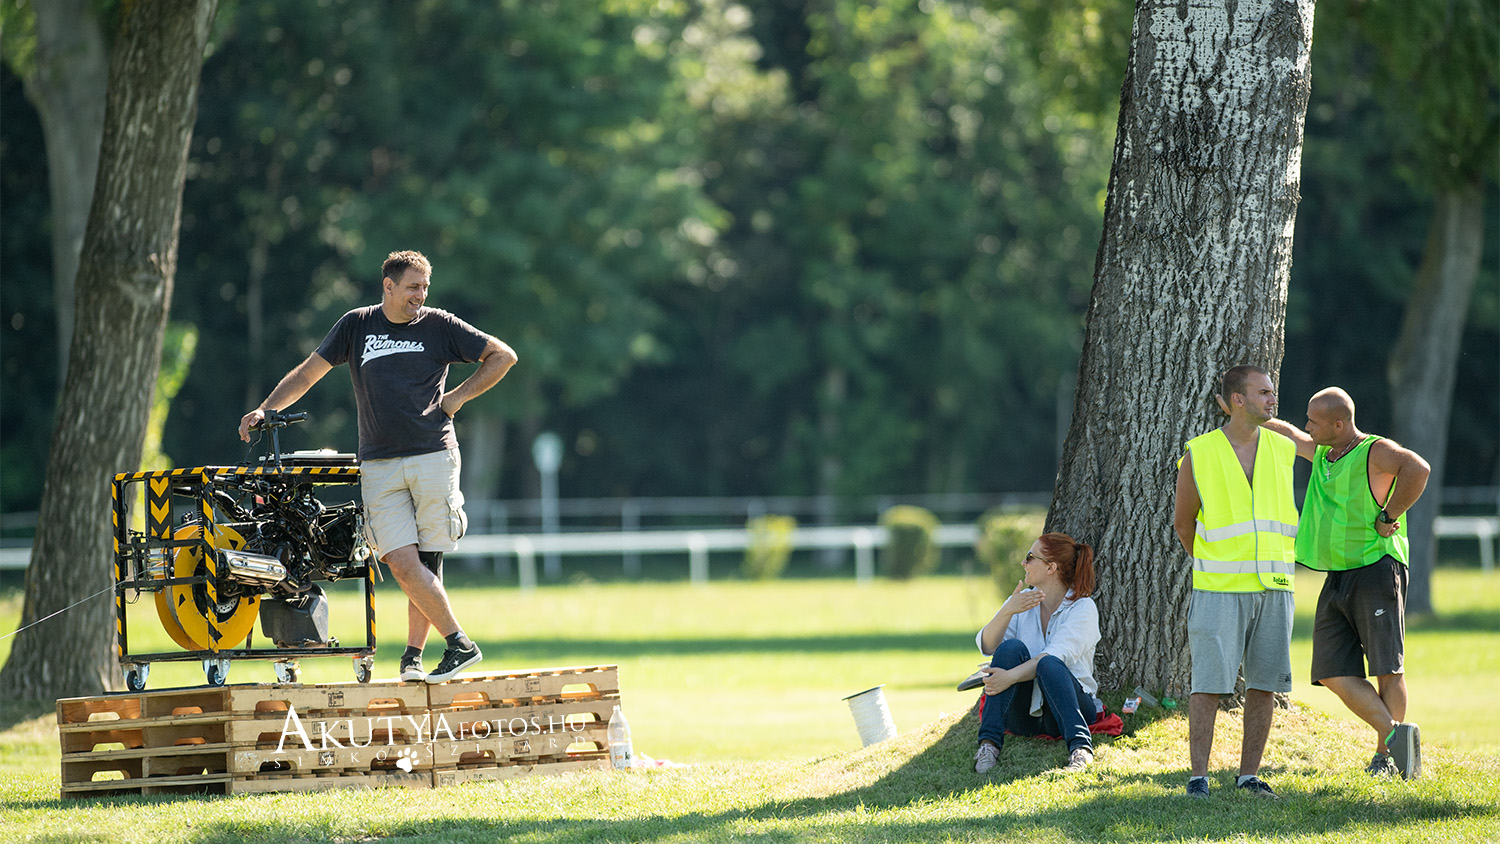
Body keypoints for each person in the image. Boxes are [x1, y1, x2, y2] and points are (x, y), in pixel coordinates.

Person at [239, 250, 517, 684]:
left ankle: (412, 658)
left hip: (432, 454)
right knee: (398, 560)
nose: (420, 296)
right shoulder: (356, 325)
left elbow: (502, 356)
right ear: (388, 286)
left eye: (425, 288)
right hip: (379, 463)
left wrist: (457, 398)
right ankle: (460, 642)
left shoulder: (440, 324)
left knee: (427, 561)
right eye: (412, 287)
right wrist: (265, 408)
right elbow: (309, 373)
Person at [1263, 387, 1429, 779]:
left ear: (1339, 424)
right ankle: (1396, 736)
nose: (1308, 427)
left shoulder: (1374, 450)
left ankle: (1386, 759)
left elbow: (1418, 469)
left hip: (1377, 567)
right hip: (1337, 573)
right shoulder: (1324, 451)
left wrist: (1388, 515)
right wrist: (1251, 414)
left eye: (1314, 422)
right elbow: (1291, 435)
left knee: (1387, 668)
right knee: (1330, 669)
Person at [1172, 364, 1298, 799]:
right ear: (1236, 399)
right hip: (1218, 589)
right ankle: (1198, 778)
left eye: (1272, 392)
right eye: (1263, 392)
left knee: (1265, 685)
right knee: (1207, 684)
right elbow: (1183, 524)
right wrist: (1213, 563)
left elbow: (1319, 445)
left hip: (1276, 586)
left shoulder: (1283, 448)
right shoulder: (1199, 453)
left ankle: (1249, 776)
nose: (1272, 399)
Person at [972, 532, 1101, 775]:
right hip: (1025, 714)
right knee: (1010, 649)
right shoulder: (1021, 603)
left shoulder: (1083, 608)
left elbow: (1053, 658)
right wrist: (1008, 610)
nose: (1024, 563)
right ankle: (988, 745)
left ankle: (1081, 748)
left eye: (1030, 557)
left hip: (1067, 708)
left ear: (1051, 567)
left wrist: (1009, 677)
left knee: (1049, 664)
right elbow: (987, 646)